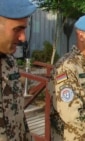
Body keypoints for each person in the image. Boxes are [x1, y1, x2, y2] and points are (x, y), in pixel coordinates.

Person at [0, 0, 37, 140]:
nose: (23, 38)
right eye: (17, 29)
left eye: (24, 29)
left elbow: (19, 119)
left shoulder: (9, 62)